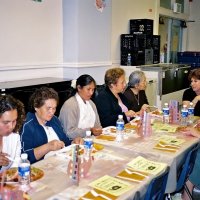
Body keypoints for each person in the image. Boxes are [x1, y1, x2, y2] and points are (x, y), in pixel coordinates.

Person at [20, 87, 82, 164]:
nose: (52, 112)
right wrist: (48, 147)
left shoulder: (54, 120)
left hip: (60, 163)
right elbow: (24, 157)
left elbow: (64, 141)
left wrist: (74, 142)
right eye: (48, 108)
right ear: (36, 107)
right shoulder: (27, 125)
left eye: (54, 108)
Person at [59, 74, 102, 139]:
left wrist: (97, 130)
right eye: (88, 89)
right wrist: (90, 130)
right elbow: (69, 132)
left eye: (93, 90)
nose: (91, 93)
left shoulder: (91, 104)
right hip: (74, 142)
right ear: (79, 88)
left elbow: (98, 125)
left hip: (91, 139)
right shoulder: (70, 105)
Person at [0, 95, 25, 172]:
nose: (11, 126)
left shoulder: (14, 134)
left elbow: (16, 160)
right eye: (6, 122)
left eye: (14, 121)